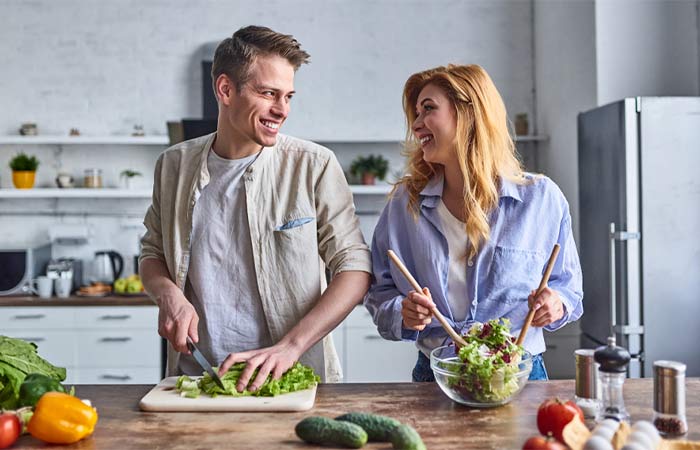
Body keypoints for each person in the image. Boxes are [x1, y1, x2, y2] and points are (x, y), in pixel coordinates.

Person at [140, 25, 371, 391]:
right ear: (226, 89)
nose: (282, 110)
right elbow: (152, 254)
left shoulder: (314, 165)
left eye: (289, 96)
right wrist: (168, 293)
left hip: (293, 379)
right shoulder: (173, 166)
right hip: (199, 379)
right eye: (269, 94)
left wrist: (289, 347)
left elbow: (355, 268)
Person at [364, 64, 583, 382]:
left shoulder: (542, 199)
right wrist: (403, 312)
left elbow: (569, 288)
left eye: (428, 109)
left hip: (518, 375)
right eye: (415, 113)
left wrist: (556, 304)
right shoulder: (403, 205)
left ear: (469, 113)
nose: (416, 124)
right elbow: (379, 293)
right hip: (437, 376)